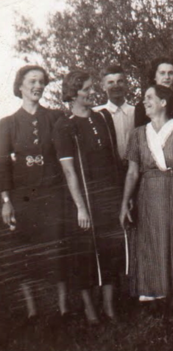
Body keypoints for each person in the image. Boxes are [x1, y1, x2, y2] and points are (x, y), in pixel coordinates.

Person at [53, 70, 125, 324]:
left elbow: (113, 158)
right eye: (85, 89)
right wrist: (80, 208)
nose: (91, 93)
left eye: (91, 88)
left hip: (109, 195)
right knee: (85, 254)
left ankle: (108, 306)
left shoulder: (103, 117)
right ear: (72, 94)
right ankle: (89, 309)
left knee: (111, 250)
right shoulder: (65, 125)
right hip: (83, 198)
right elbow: (70, 171)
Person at [119, 85, 173, 306]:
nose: (144, 102)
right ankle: (154, 292)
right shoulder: (137, 134)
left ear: (163, 102)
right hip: (149, 194)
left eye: (149, 98)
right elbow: (132, 172)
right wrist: (125, 202)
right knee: (151, 240)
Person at [0, 65, 68, 321]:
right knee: (23, 251)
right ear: (20, 86)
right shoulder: (7, 124)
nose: (37, 86)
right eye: (32, 81)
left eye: (41, 82)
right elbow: (3, 165)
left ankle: (63, 309)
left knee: (57, 247)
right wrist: (6, 201)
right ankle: (32, 310)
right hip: (22, 198)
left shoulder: (55, 118)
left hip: (52, 194)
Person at [93, 65, 136, 162]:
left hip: (134, 169)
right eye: (110, 82)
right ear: (103, 86)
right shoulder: (96, 114)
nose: (116, 86)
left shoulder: (136, 112)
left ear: (126, 84)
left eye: (120, 81)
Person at [134, 57, 173, 127]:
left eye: (171, 73)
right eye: (162, 73)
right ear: (154, 76)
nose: (167, 77)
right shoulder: (143, 106)